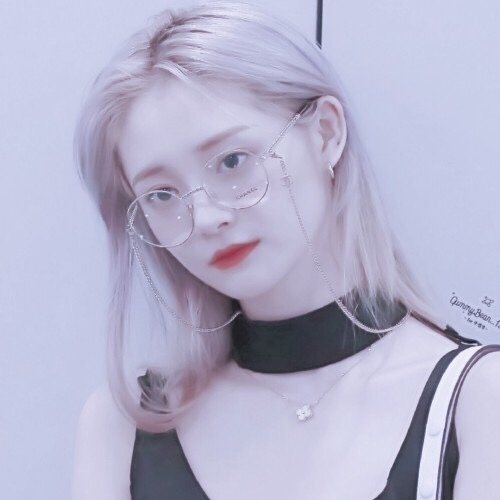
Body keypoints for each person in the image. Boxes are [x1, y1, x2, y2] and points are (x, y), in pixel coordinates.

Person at [71, 2, 500, 499]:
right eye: (162, 194)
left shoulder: (477, 401)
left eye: (232, 161)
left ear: (326, 133)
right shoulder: (126, 426)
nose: (206, 217)